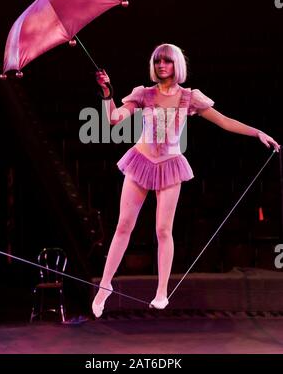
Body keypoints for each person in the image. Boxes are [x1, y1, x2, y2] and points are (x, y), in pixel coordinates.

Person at [92, 43, 280, 318]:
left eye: (167, 61)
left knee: (163, 230)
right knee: (123, 226)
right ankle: (105, 286)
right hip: (141, 161)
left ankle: (161, 291)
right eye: (157, 61)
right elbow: (112, 119)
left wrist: (258, 133)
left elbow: (225, 122)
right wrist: (107, 93)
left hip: (169, 165)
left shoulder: (189, 97)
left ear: (176, 65)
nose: (161, 66)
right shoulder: (144, 94)